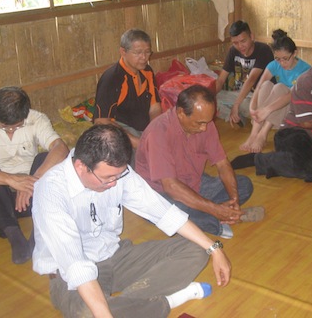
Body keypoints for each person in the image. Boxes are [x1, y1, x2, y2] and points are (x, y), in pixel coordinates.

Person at [32, 124, 232, 318]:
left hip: (116, 256)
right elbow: (76, 266)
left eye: (118, 176)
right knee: (89, 313)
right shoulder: (51, 192)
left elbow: (163, 212)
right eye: (107, 178)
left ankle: (129, 306)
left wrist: (215, 248)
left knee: (197, 249)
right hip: (68, 276)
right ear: (81, 166)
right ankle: (167, 301)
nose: (114, 183)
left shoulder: (117, 173)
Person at [135, 85, 264, 240]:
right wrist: (215, 209)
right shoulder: (158, 133)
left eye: (207, 122)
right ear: (181, 113)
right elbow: (171, 187)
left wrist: (234, 199)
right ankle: (218, 220)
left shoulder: (206, 124)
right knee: (176, 210)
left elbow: (222, 164)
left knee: (243, 184)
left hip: (193, 183)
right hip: (160, 194)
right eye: (199, 123)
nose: (204, 128)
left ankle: (220, 214)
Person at [232, 35, 312, 183]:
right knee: (303, 164)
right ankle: (260, 160)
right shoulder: (306, 82)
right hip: (295, 134)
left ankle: (297, 166)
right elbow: (307, 123)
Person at [0, 86, 69, 264]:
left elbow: (60, 148)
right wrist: (10, 179)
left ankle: (38, 232)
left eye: (17, 127)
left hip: (31, 196)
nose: (11, 131)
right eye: (5, 128)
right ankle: (13, 234)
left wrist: (33, 181)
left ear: (25, 115)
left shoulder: (36, 119)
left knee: (45, 159)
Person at [94, 28, 161, 162]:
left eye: (147, 52)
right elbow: (101, 121)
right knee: (146, 159)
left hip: (144, 130)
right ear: (123, 52)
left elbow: (155, 107)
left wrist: (154, 132)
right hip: (122, 132)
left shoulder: (147, 71)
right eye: (138, 53)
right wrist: (136, 141)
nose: (144, 57)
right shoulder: (112, 78)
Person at [240, 29, 311, 153]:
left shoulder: (305, 70)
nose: (282, 63)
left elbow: (291, 96)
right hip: (277, 109)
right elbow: (259, 86)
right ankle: (254, 132)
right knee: (267, 84)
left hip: (295, 107)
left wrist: (266, 110)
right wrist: (253, 107)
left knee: (280, 88)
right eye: (278, 59)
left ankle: (263, 133)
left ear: (294, 53)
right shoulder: (274, 64)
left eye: (285, 59)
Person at [215, 20, 274, 127]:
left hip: (258, 97)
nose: (240, 46)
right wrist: (209, 96)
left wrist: (236, 104)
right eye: (235, 43)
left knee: (245, 105)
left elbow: (251, 80)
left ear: (252, 36)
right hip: (240, 94)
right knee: (213, 99)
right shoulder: (233, 51)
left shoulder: (263, 50)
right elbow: (221, 79)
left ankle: (238, 112)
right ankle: (235, 117)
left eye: (243, 41)